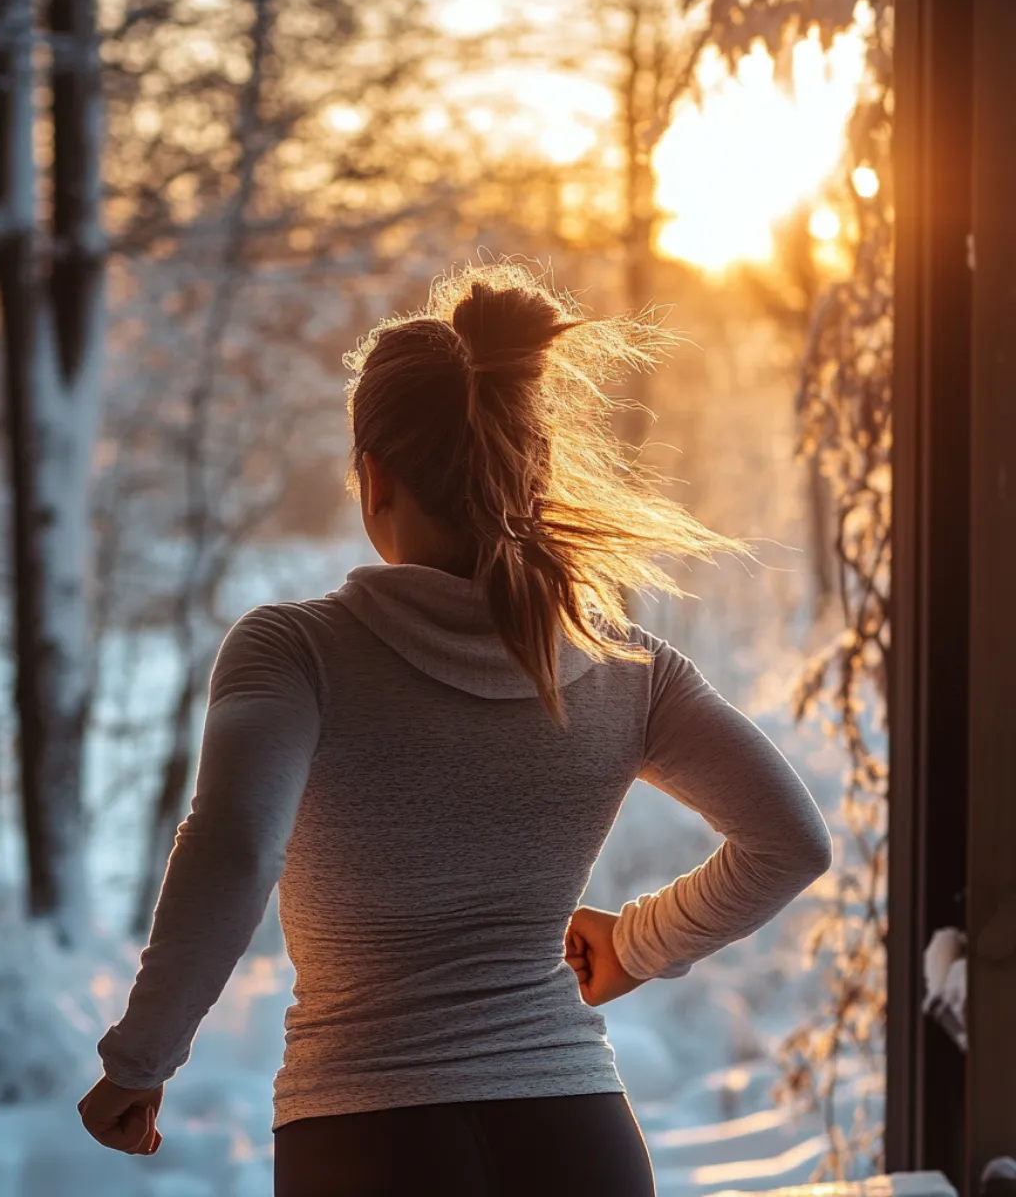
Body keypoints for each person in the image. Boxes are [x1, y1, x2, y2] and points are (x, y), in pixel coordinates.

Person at [77, 263, 834, 1196]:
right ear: (529, 465)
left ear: (375, 475)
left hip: (365, 1138)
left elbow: (234, 848)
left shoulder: (295, 650)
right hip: (579, 1138)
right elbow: (790, 842)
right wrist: (636, 945)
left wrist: (141, 1060)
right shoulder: (627, 666)